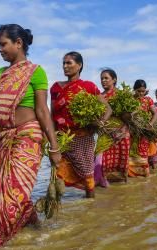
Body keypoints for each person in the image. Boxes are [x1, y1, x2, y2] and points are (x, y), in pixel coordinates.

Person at [0, 24, 61, 247]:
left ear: (19, 44)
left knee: (7, 195)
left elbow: (42, 110)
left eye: (3, 44)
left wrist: (54, 147)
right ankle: (34, 231)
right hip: (2, 138)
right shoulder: (1, 73)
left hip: (27, 136)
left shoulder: (36, 71)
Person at [51, 51, 111, 198]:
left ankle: (90, 209)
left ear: (79, 66)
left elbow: (108, 109)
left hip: (84, 139)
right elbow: (52, 115)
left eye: (69, 63)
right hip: (63, 139)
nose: (65, 66)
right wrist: (52, 142)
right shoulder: (56, 88)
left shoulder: (88, 87)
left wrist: (99, 122)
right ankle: (58, 216)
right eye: (63, 63)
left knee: (87, 177)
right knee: (57, 177)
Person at [94, 68, 130, 185]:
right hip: (104, 133)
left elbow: (130, 114)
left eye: (106, 78)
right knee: (100, 158)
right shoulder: (98, 96)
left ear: (114, 80)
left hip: (121, 133)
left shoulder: (121, 95)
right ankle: (100, 184)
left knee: (120, 161)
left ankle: (119, 194)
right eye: (101, 79)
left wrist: (122, 129)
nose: (103, 81)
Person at [129, 79, 157, 177]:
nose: (141, 93)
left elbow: (155, 114)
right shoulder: (130, 100)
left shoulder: (148, 100)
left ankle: (145, 175)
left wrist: (151, 123)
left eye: (143, 91)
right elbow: (127, 115)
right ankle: (133, 175)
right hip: (132, 131)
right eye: (139, 91)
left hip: (144, 131)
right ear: (134, 90)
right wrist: (134, 113)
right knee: (132, 152)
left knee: (143, 152)